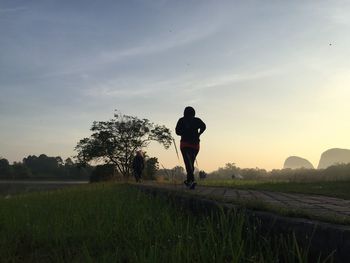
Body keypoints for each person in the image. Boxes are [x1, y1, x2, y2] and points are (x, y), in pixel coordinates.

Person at [175, 106, 206, 189]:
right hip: (194, 145)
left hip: (186, 144)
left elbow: (177, 131)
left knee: (189, 163)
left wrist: (184, 132)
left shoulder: (182, 120)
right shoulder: (196, 120)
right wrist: (199, 133)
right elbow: (203, 126)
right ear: (194, 113)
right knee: (190, 163)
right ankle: (191, 181)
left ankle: (190, 181)